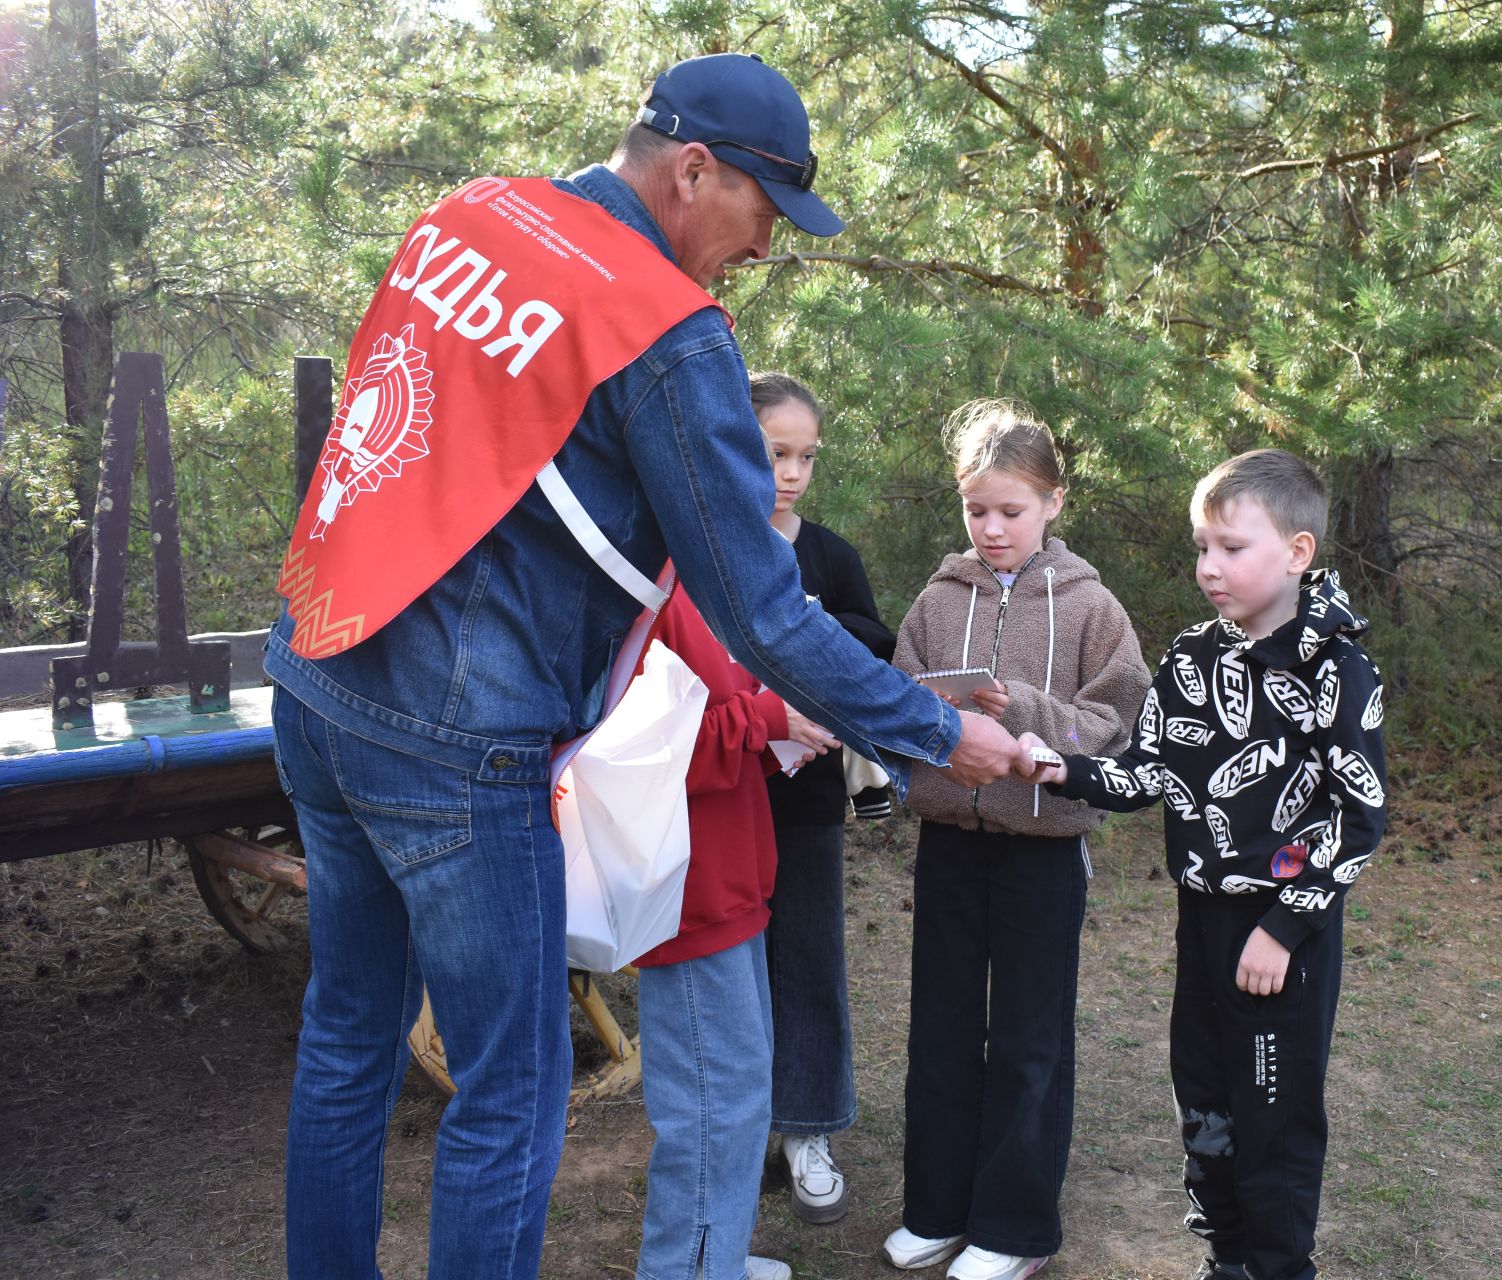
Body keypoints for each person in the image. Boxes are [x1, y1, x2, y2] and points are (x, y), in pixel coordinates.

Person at [264, 52, 1027, 1280]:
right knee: (512, 1087)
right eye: (765, 214)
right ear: (692, 170)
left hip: (316, 662)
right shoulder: (664, 334)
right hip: (457, 736)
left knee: (348, 1037)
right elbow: (763, 611)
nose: (764, 249)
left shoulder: (476, 213)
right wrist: (934, 732)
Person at [1022, 449, 1388, 1280]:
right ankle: (1226, 1257)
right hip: (1204, 921)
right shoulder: (1192, 658)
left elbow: (1358, 818)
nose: (1208, 568)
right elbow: (1149, 769)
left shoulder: (1339, 667)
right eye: (1201, 547)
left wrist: (1286, 928)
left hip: (1281, 935)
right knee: (1206, 1097)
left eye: (1231, 547)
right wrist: (1060, 766)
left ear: (1297, 552)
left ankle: (1278, 1265)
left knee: (1274, 1113)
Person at [883, 400, 1151, 1280]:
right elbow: (892, 706)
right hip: (952, 843)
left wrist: (1027, 714)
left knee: (1031, 1040)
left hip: (1045, 852)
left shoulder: (1093, 609)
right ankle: (938, 1211)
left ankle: (1015, 1230)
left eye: (1012, 510)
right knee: (943, 1029)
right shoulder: (934, 598)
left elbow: (1118, 727)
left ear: (1053, 505)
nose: (992, 529)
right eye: (976, 510)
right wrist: (938, 718)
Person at [628, 578, 839, 1280]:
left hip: (732, 882)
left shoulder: (689, 581)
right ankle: (687, 1269)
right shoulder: (638, 589)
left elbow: (722, 714)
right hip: (689, 899)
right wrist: (764, 720)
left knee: (740, 1098)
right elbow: (638, 753)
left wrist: (776, 726)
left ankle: (712, 1257)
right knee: (712, 1112)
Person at [752, 371, 890, 1225]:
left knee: (805, 958)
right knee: (720, 972)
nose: (793, 473)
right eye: (776, 453)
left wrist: (814, 624)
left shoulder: (831, 555)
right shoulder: (700, 543)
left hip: (801, 800)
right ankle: (723, 1134)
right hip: (709, 790)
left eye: (806, 456)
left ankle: (807, 1129)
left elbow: (876, 641)